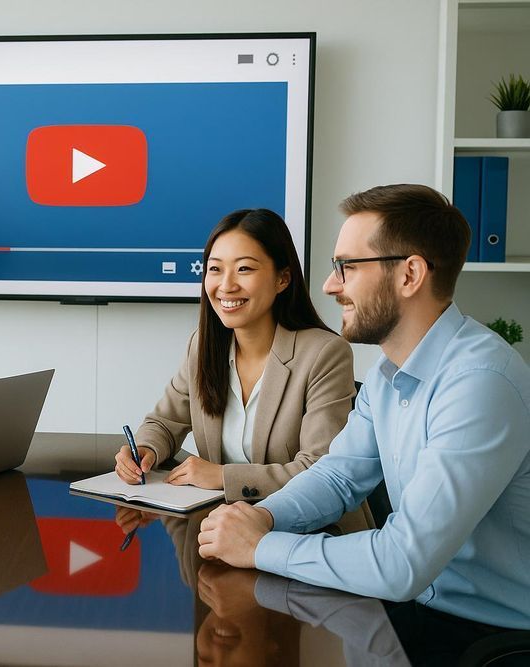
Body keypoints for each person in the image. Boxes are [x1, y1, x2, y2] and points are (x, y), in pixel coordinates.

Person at [197, 184, 530, 630]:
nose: (329, 285)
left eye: (346, 267)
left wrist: (259, 546)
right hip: (414, 608)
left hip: (483, 632)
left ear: (410, 274)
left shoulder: (480, 384)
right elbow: (338, 477)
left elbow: (401, 563)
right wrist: (261, 516)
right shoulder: (389, 374)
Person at [115, 209, 363, 519]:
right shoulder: (202, 347)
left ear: (282, 279)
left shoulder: (324, 354)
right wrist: (145, 451)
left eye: (244, 269)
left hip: (308, 530)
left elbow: (319, 470)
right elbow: (164, 423)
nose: (226, 285)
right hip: (223, 528)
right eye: (215, 269)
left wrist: (222, 477)